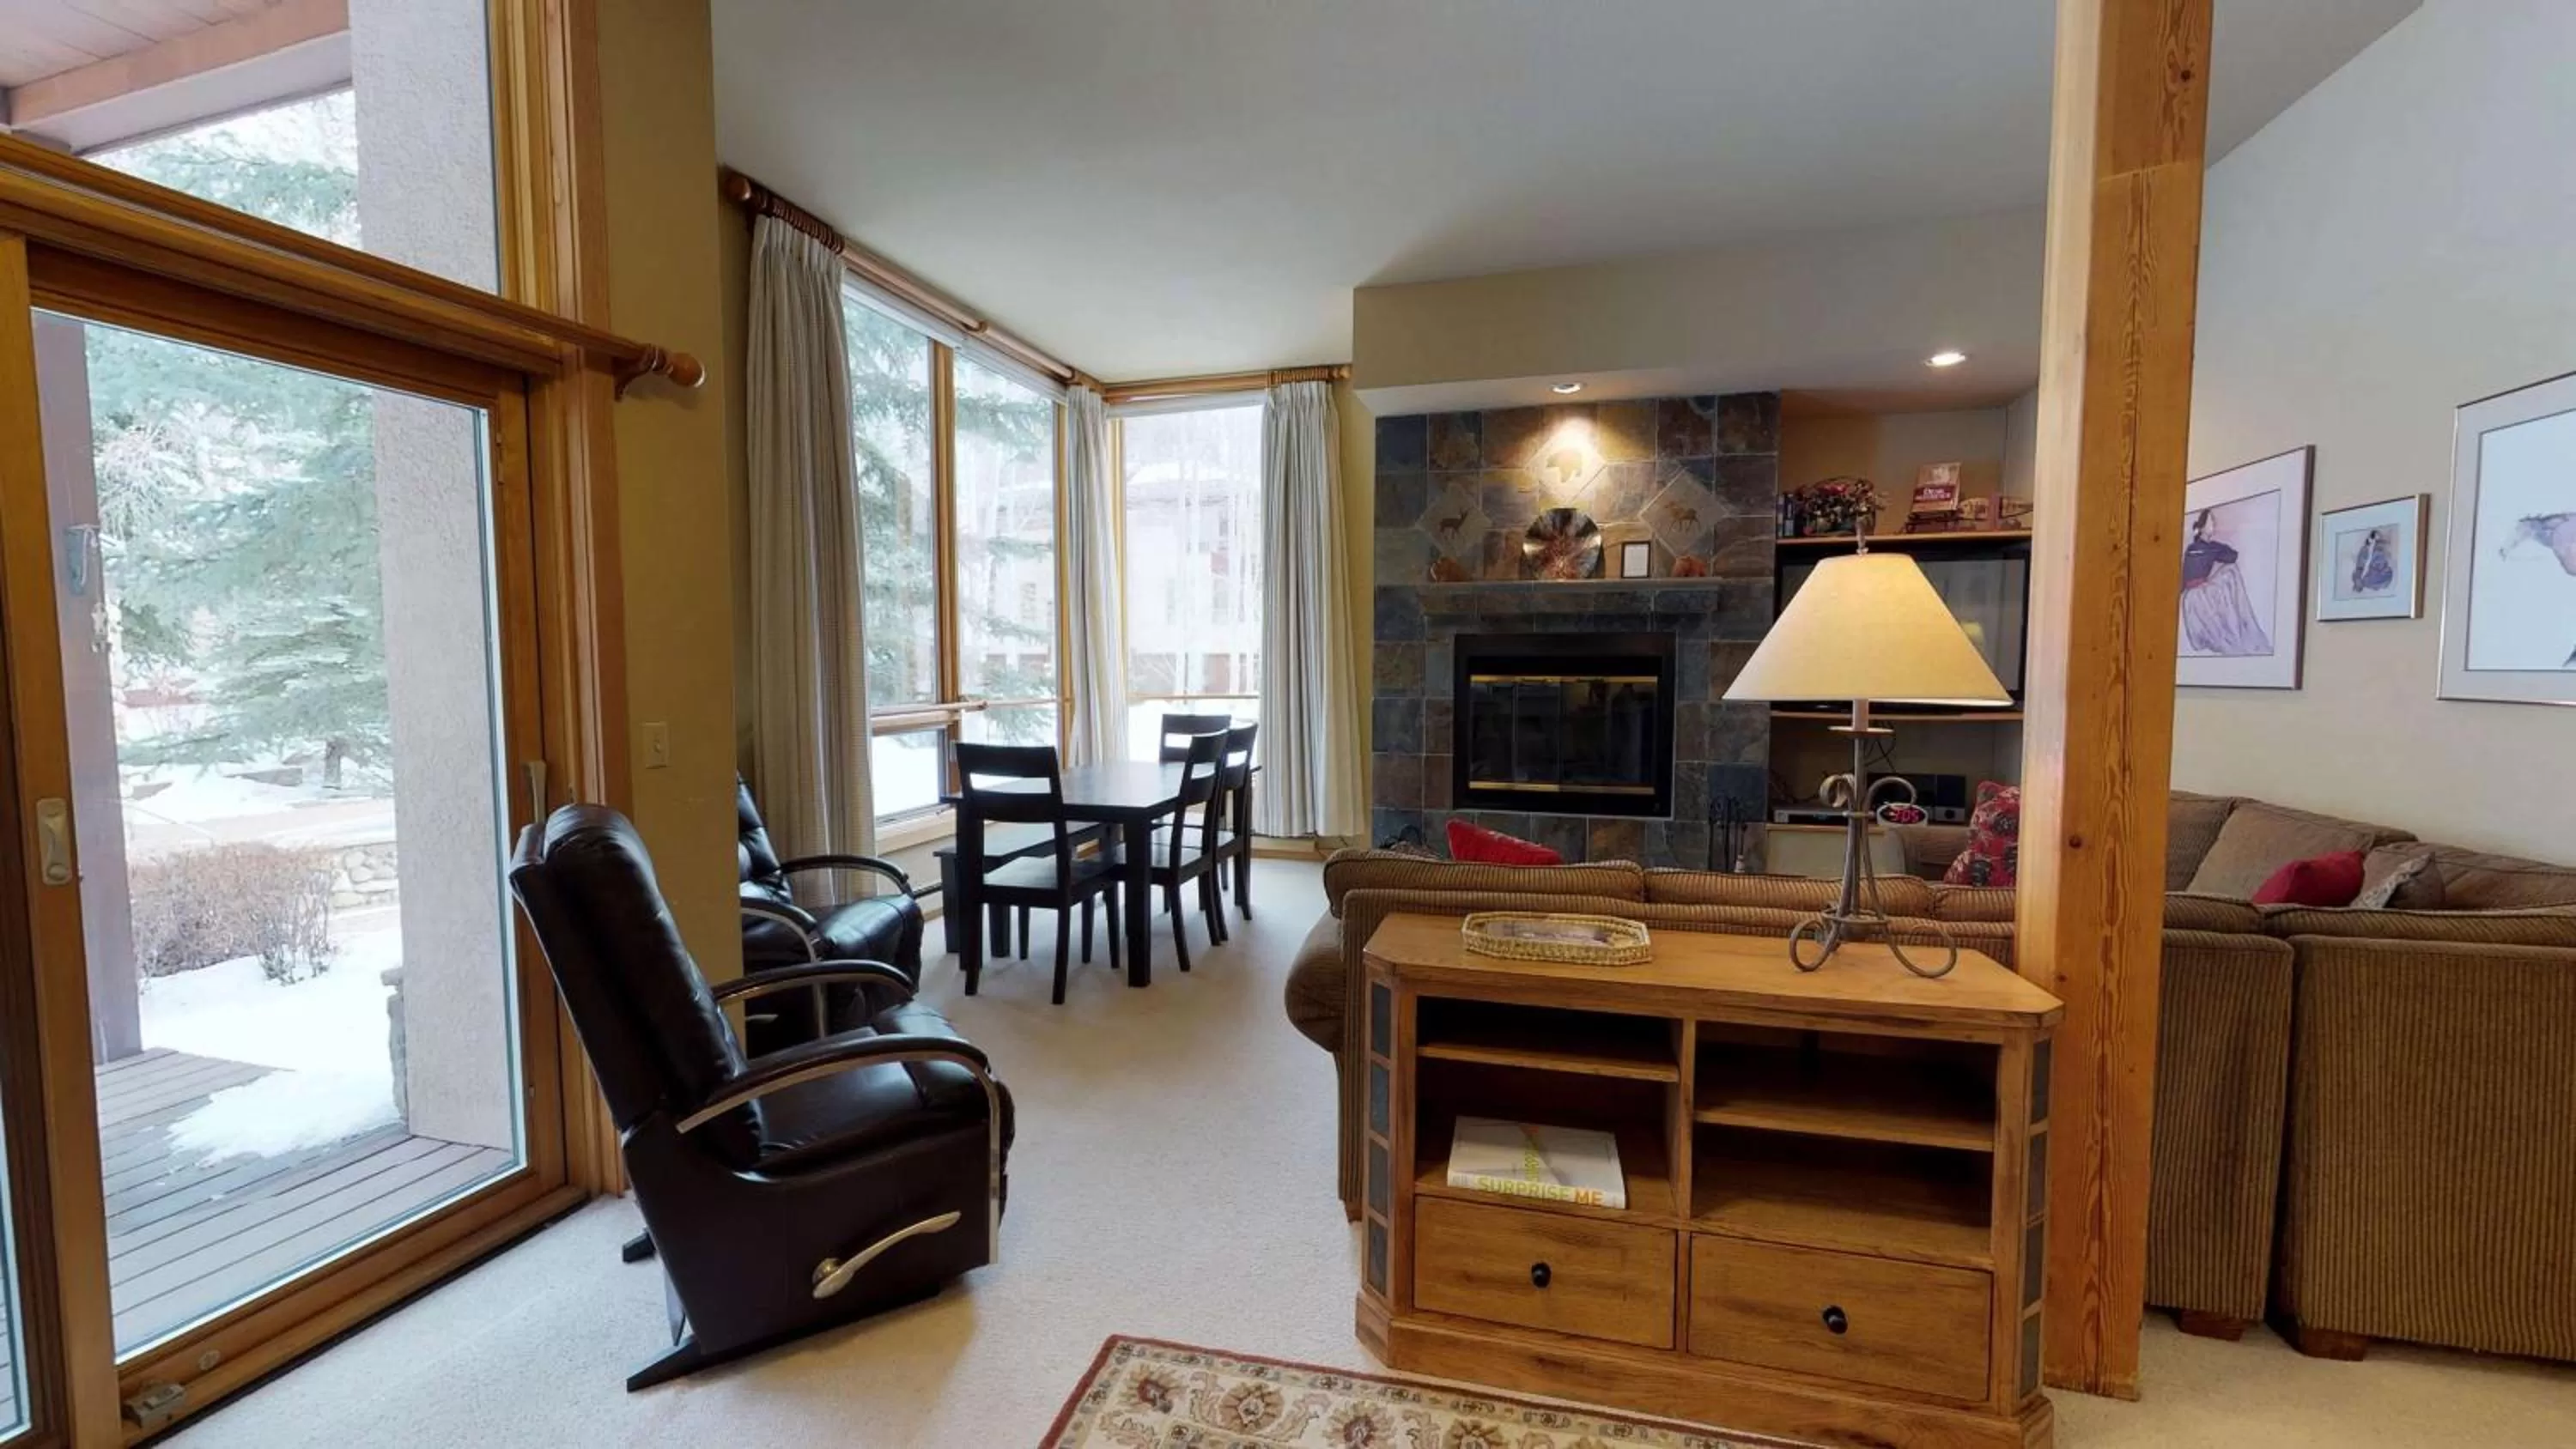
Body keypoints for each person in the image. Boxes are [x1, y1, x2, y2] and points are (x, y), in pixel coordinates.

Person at [2180, 509, 2273, 657]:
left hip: (2192, 596)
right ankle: (2239, 624)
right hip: (2201, 596)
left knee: (2229, 570)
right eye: (2211, 522)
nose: (2214, 525)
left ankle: (2238, 624)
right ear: (2202, 527)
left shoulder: (2194, 548)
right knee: (2231, 571)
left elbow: (2183, 580)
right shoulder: (2209, 548)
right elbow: (2232, 556)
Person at [2349, 527, 2396, 596]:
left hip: (2376, 569)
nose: (2375, 542)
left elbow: (2382, 560)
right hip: (2368, 570)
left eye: (2377, 540)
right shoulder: (2364, 549)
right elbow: (2361, 564)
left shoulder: (2379, 550)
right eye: (2374, 539)